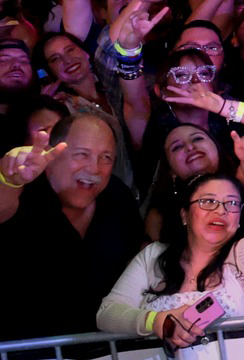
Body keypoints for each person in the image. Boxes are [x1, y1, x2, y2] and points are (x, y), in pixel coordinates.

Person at [97, 171, 244, 347]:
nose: (221, 210)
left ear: (239, 218)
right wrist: (156, 321)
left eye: (232, 203)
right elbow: (107, 314)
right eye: (207, 201)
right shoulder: (154, 256)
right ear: (185, 215)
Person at [0, 112, 144, 335]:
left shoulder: (117, 197)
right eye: (82, 154)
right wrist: (8, 180)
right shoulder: (24, 187)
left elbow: (136, 260)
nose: (94, 168)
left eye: (106, 158)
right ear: (53, 154)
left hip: (105, 355)